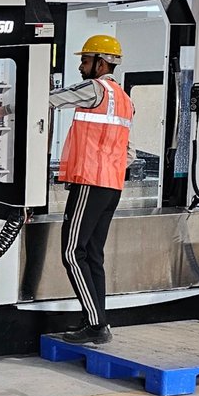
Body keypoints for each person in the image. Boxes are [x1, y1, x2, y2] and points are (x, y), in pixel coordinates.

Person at [49, 34, 136, 347]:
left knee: (73, 253)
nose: (81, 66)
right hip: (111, 185)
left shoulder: (95, 88)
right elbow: (128, 152)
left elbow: (51, 99)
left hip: (90, 182)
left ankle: (96, 325)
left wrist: (4, 107)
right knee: (93, 255)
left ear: (101, 63)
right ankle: (97, 320)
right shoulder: (124, 99)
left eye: (85, 60)